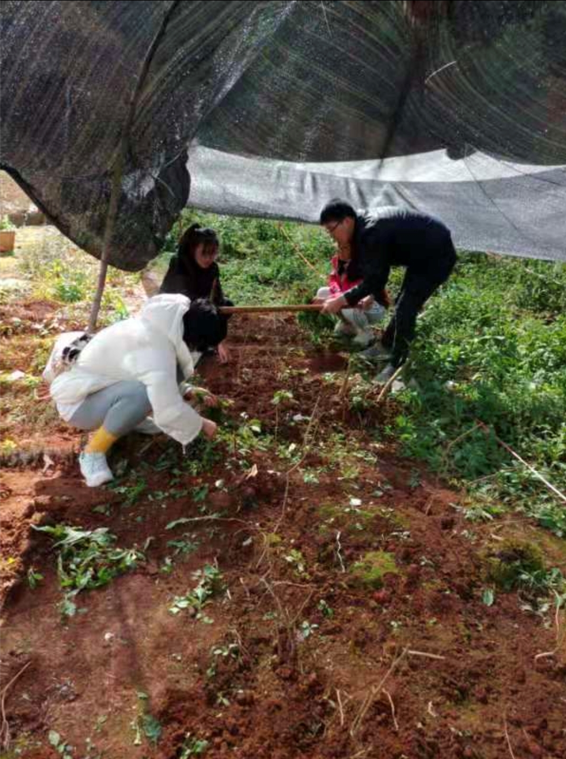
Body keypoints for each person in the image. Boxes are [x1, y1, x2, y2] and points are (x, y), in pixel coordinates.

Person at [43, 294, 226, 488]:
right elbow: (167, 406)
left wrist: (189, 389)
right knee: (144, 394)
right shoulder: (155, 347)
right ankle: (93, 452)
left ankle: (129, 419)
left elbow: (150, 372)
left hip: (99, 389)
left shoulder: (162, 324)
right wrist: (202, 425)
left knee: (149, 390)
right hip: (79, 404)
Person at [320, 200, 457, 382]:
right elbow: (376, 273)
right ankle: (385, 345)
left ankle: (397, 364)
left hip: (437, 255)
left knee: (406, 307)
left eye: (331, 229)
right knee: (403, 303)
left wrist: (341, 300)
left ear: (346, 221)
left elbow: (375, 280)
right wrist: (363, 294)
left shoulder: (371, 231)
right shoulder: (362, 230)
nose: (331, 235)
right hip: (420, 256)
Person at [160, 223, 232, 363]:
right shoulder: (180, 263)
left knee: (226, 305)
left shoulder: (213, 268)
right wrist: (208, 307)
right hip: (172, 314)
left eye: (212, 254)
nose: (208, 259)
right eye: (204, 253)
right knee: (205, 311)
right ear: (193, 250)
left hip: (197, 308)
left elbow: (217, 297)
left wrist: (220, 341)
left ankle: (205, 345)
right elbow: (181, 299)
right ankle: (186, 346)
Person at [313, 239, 389, 347]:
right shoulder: (337, 260)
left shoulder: (362, 265)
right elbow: (334, 280)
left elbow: (354, 294)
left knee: (349, 304)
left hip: (373, 305)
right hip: (350, 298)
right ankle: (348, 324)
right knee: (322, 292)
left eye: (345, 248)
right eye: (339, 247)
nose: (341, 251)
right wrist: (331, 296)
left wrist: (330, 300)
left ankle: (366, 332)